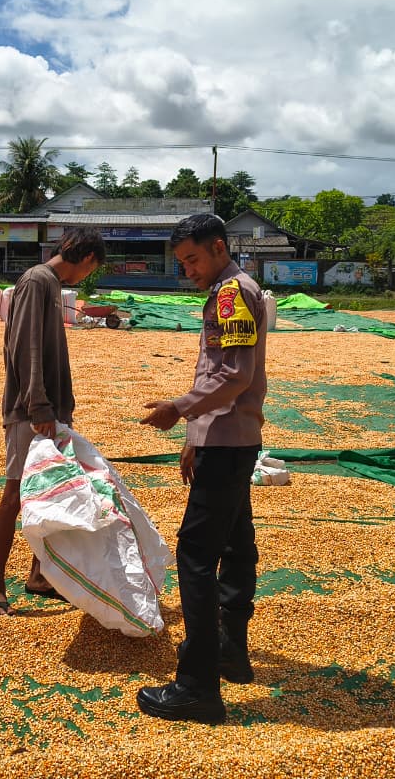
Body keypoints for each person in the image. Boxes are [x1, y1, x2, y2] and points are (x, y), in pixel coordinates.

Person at [136, 213, 269, 723]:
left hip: (227, 444)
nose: (187, 271)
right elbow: (221, 374)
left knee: (195, 555)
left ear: (217, 247)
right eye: (182, 263)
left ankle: (197, 685)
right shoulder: (231, 291)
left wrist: (180, 409)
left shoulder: (231, 294)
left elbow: (234, 375)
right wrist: (197, 435)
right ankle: (231, 650)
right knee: (235, 544)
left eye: (192, 259)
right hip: (232, 439)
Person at [0, 227, 107, 617]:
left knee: (50, 492)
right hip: (32, 413)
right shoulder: (37, 281)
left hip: (51, 411)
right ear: (87, 258)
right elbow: (25, 347)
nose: (86, 276)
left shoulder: (51, 285)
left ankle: (39, 575)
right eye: (91, 269)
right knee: (15, 496)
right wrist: (38, 407)